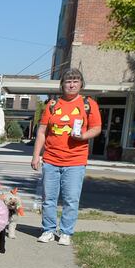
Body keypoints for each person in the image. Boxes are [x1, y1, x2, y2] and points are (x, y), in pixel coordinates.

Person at [31, 68, 101, 246]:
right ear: (62, 84)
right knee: (49, 198)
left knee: (71, 198)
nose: (71, 84)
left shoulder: (88, 104)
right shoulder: (52, 105)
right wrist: (36, 155)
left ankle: (66, 232)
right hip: (51, 159)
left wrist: (83, 137)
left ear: (81, 84)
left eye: (75, 81)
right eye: (68, 81)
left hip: (75, 160)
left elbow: (96, 128)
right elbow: (42, 131)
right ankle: (48, 229)